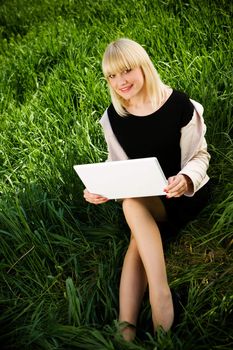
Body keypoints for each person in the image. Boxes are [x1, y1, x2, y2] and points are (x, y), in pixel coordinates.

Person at [83, 38, 210, 341]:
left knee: (135, 231)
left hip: (181, 195)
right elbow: (118, 166)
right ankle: (136, 321)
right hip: (145, 197)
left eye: (125, 71)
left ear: (143, 66)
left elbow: (200, 155)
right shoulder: (114, 117)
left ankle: (148, 306)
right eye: (111, 76)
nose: (120, 82)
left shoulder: (179, 105)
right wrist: (100, 188)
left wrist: (187, 178)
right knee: (131, 206)